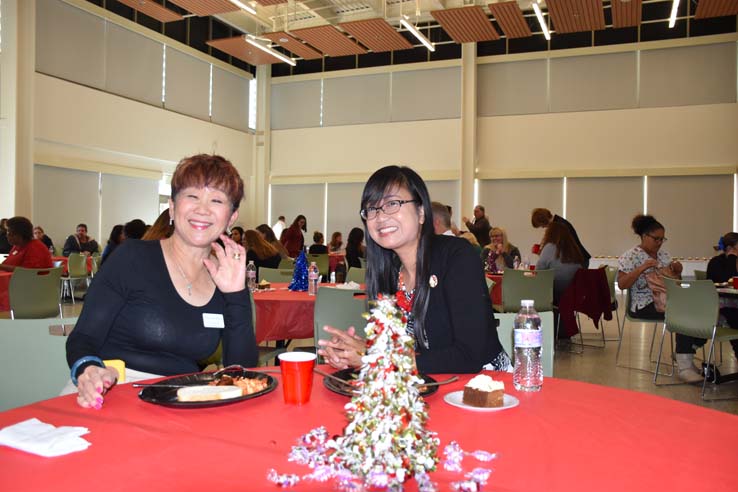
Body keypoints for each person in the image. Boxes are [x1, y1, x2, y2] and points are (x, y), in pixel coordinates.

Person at [65, 154, 258, 409]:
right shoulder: (133, 257)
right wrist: (89, 369)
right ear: (172, 206)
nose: (202, 209)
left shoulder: (223, 277)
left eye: (217, 200)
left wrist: (236, 295)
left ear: (231, 217)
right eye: (192, 196)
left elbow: (240, 371)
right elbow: (83, 337)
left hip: (183, 399)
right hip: (112, 392)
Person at [317, 165, 510, 374]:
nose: (380, 216)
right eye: (371, 209)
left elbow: (470, 355)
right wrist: (352, 351)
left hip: (485, 387)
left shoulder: (456, 256)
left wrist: (372, 358)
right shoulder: (387, 272)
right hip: (421, 387)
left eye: (392, 203)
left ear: (421, 212)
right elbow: (398, 353)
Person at [617, 215, 690, 380]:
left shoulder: (664, 255)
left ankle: (686, 350)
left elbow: (675, 285)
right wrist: (641, 268)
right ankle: (685, 363)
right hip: (644, 305)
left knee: (691, 311)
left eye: (662, 239)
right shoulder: (630, 256)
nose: (659, 243)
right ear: (644, 236)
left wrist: (677, 272)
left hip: (667, 301)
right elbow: (622, 284)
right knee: (683, 315)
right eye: (656, 239)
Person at [698, 233, 738, 364]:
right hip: (719, 306)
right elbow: (727, 279)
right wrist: (732, 258)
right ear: (730, 248)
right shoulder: (716, 262)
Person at [536, 221, 584, 305]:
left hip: (556, 292)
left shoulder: (550, 247)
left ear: (550, 234)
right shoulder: (574, 249)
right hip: (574, 293)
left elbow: (538, 272)